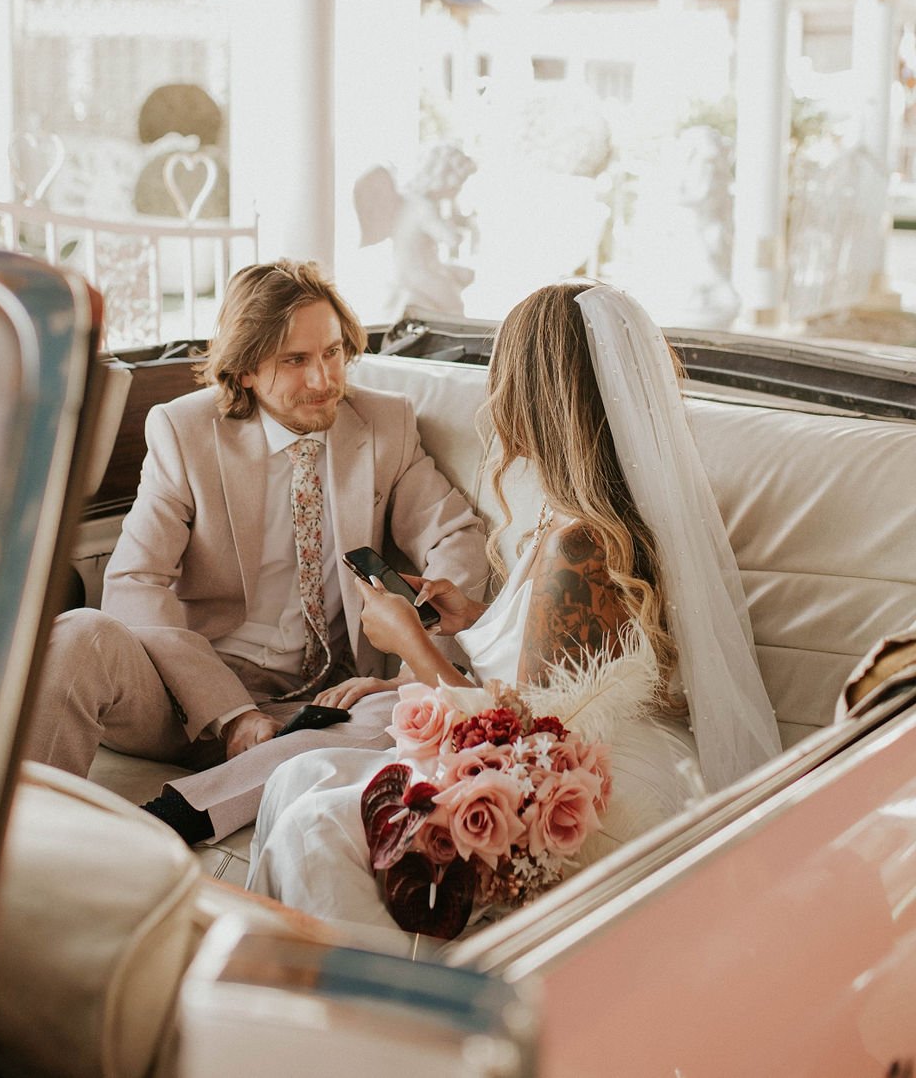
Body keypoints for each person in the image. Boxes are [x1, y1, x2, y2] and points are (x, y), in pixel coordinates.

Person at [247, 280, 782, 943]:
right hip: (562, 750)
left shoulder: (583, 545)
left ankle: (368, 1000)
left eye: (502, 377)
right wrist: (474, 618)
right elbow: (561, 661)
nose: (493, 398)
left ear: (535, 397)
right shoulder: (583, 520)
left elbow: (524, 736)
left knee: (314, 827)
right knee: (300, 773)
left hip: (589, 784)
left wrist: (410, 642)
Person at [26, 259, 487, 841]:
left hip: (322, 707)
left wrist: (416, 657)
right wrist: (231, 713)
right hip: (188, 697)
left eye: (332, 352)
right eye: (294, 360)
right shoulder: (183, 431)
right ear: (244, 369)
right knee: (77, 634)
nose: (323, 379)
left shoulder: (384, 423)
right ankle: (23, 844)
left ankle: (176, 819)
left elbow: (454, 535)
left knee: (402, 711)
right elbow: (135, 579)